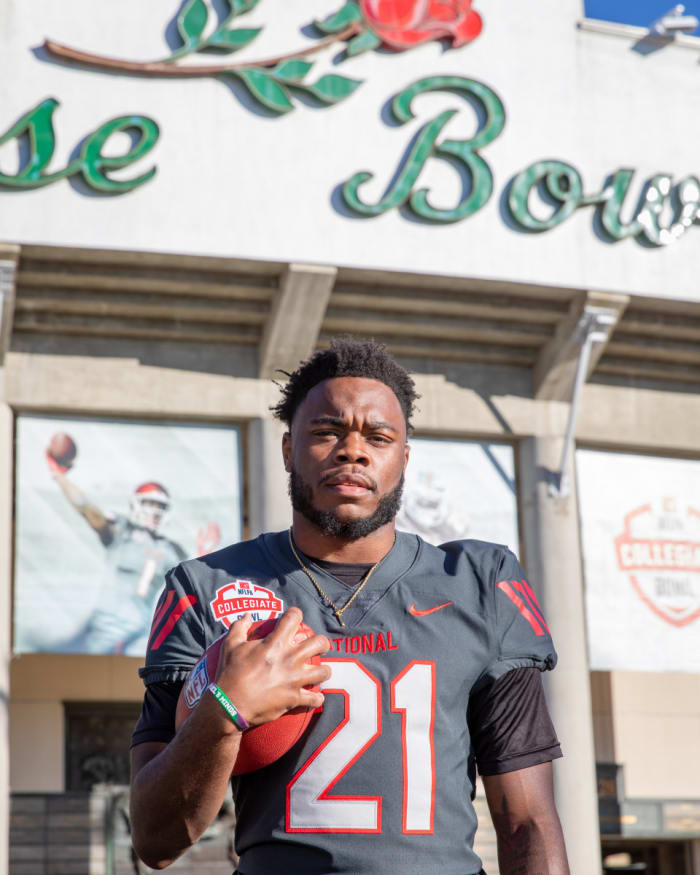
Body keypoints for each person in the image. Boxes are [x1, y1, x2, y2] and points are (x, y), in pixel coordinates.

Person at [130, 338, 570, 875]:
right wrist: (222, 711)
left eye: (378, 437)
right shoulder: (203, 588)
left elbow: (527, 821)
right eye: (326, 432)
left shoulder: (481, 582)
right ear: (288, 449)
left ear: (403, 459)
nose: (352, 451)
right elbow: (155, 841)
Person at [48, 444, 186, 653]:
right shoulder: (122, 532)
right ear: (135, 504)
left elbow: (193, 586)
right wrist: (60, 478)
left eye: (160, 506)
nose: (155, 511)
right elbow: (88, 510)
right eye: (150, 503)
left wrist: (206, 552)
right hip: (102, 626)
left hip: (137, 632)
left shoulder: (171, 549)